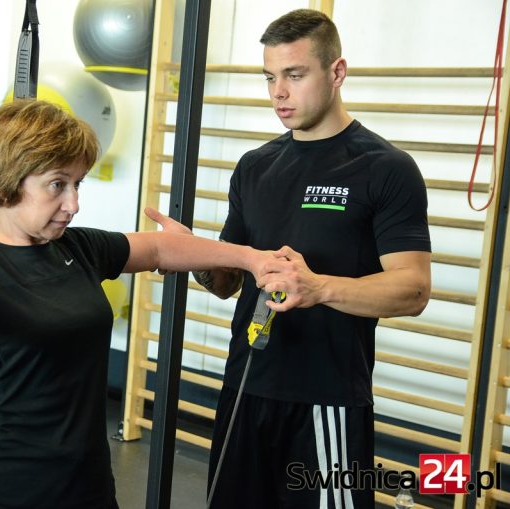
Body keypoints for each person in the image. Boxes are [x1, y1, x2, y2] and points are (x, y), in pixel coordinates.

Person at [0, 99, 295, 509]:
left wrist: (251, 258)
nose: (74, 204)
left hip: (90, 487)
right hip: (7, 489)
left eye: (77, 184)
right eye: (57, 185)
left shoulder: (78, 249)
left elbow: (160, 250)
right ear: (9, 180)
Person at [180, 8, 431, 509]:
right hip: (246, 387)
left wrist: (318, 288)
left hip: (327, 399)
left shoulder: (385, 169)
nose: (278, 92)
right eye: (271, 77)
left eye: (294, 75)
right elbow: (229, 281)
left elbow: (413, 289)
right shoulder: (255, 167)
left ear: (336, 72)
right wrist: (189, 255)